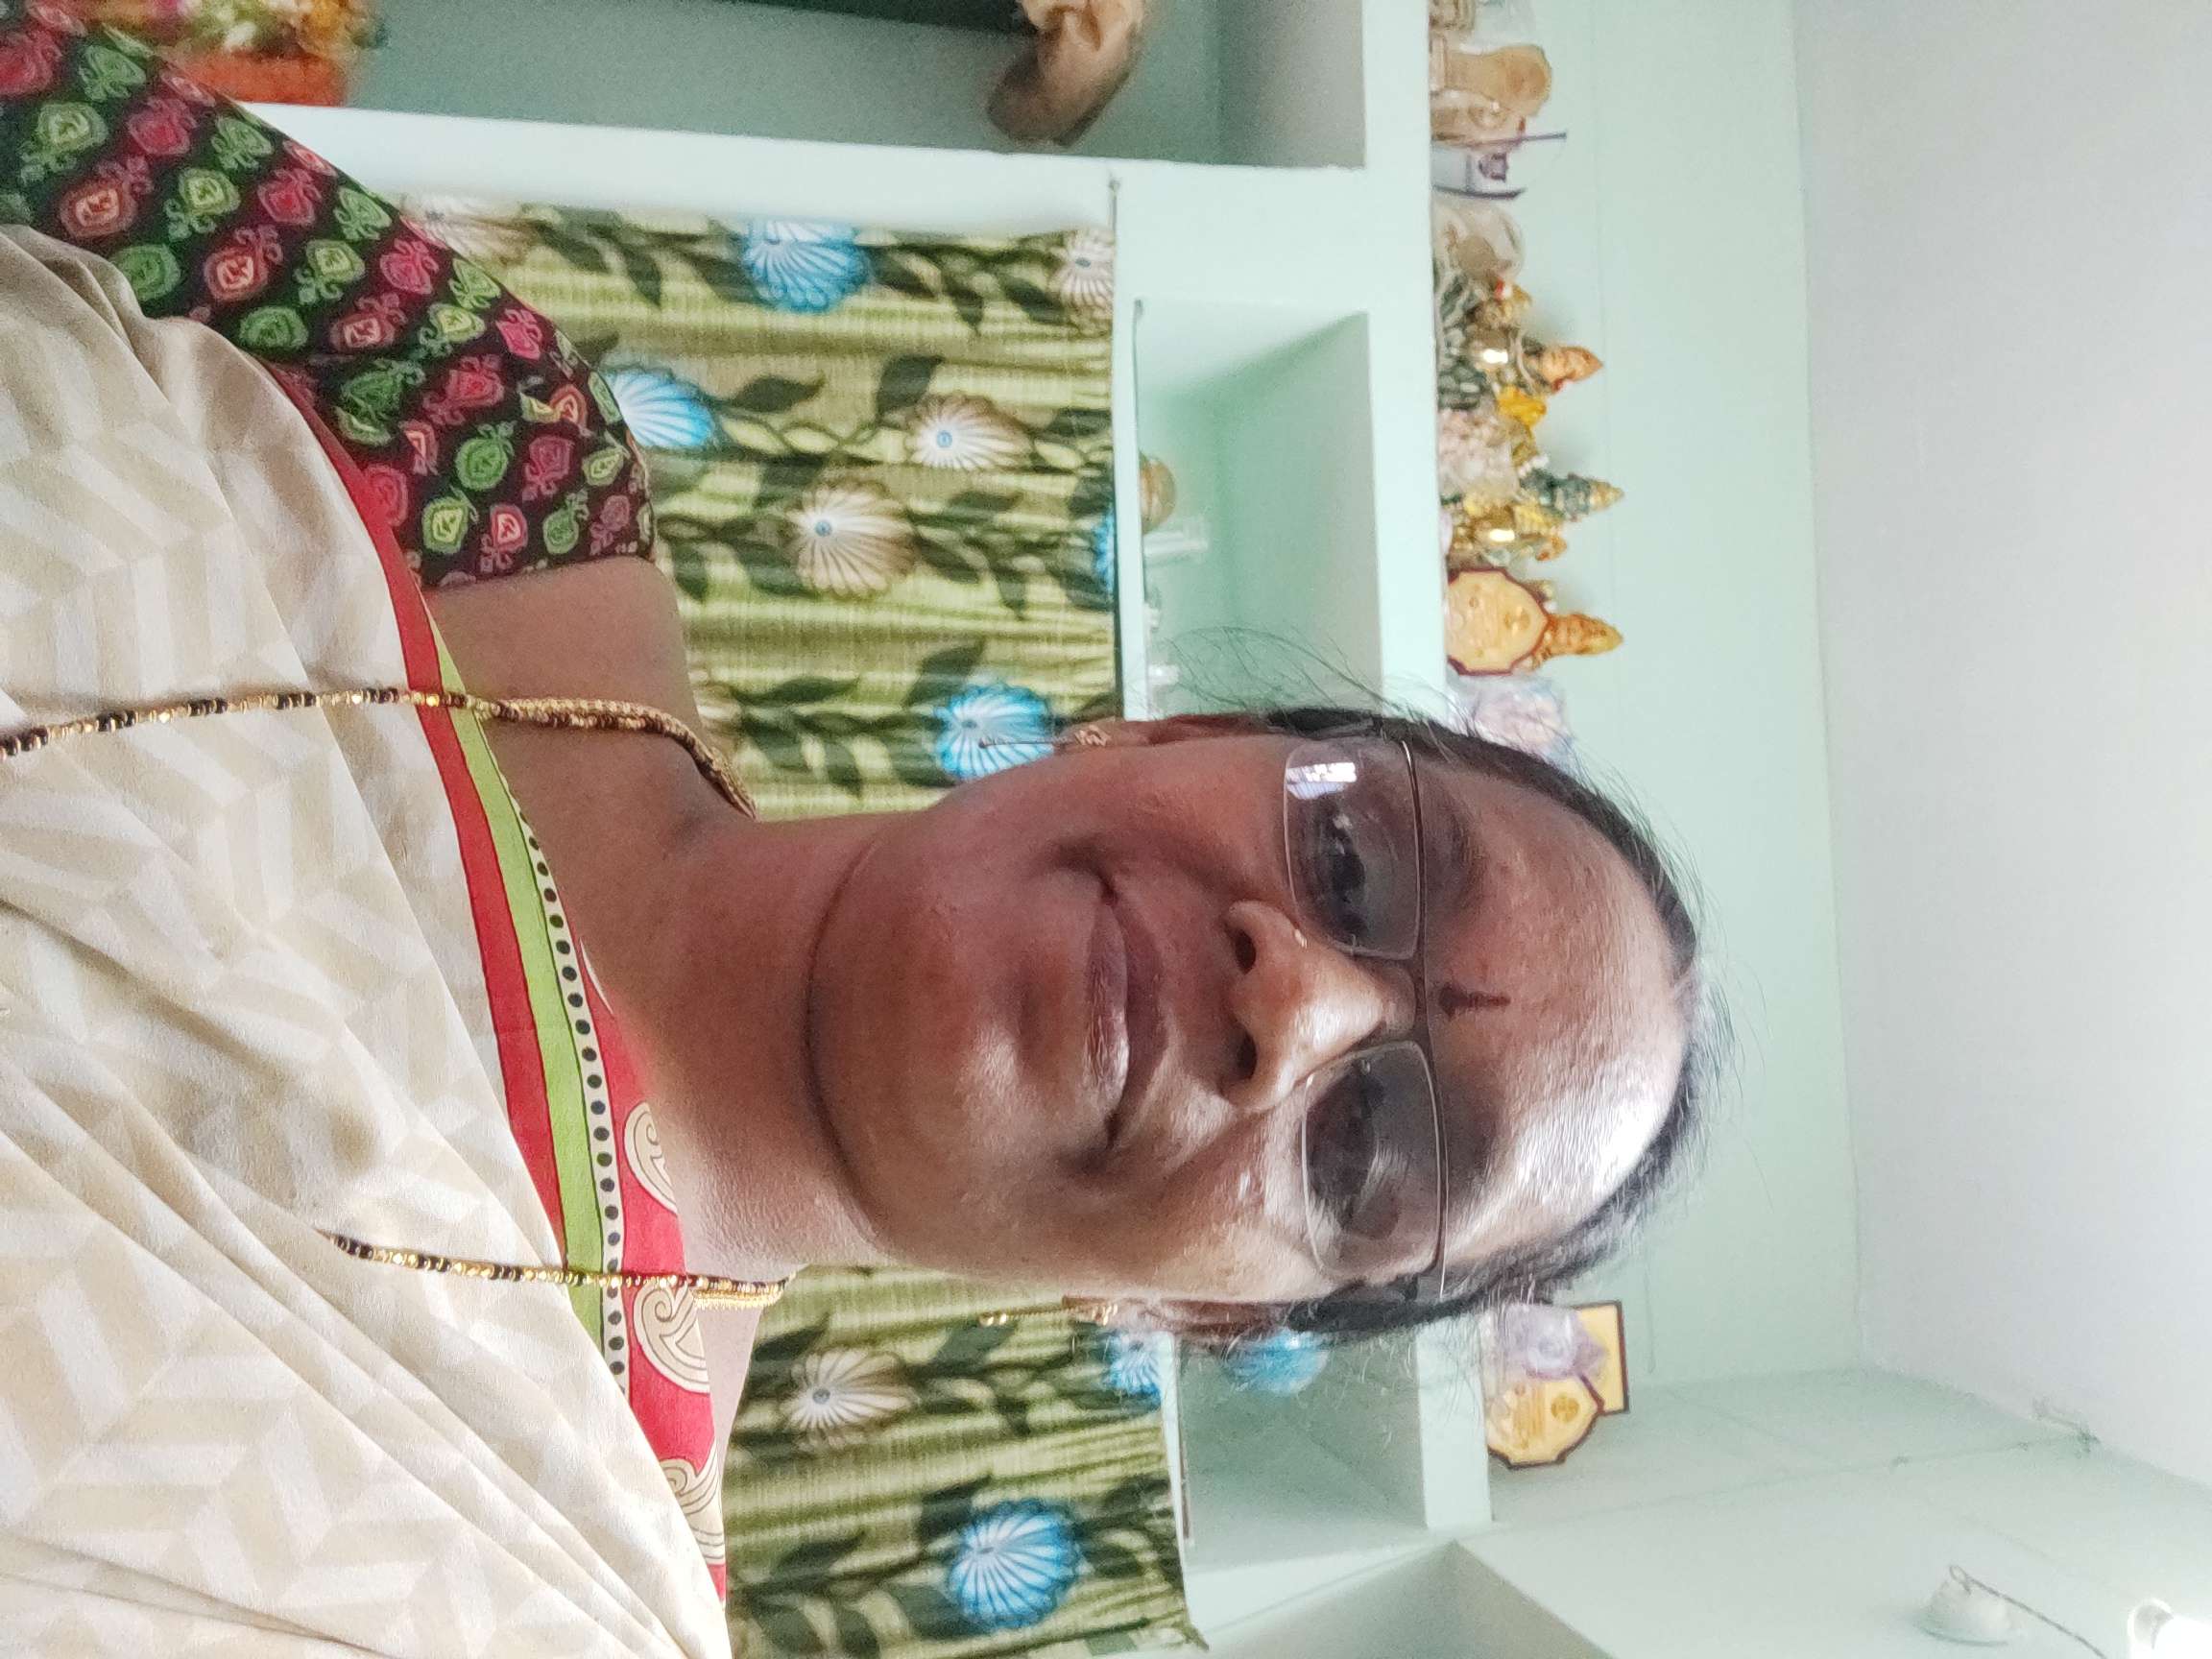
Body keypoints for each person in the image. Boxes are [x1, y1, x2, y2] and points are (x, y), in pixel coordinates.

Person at [0, 9, 1704, 1653]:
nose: (1302, 1003)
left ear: (1198, 1310)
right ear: (1179, 735)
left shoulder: (538, 1595)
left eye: (1371, 1152)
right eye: (1353, 861)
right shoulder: (485, 440)